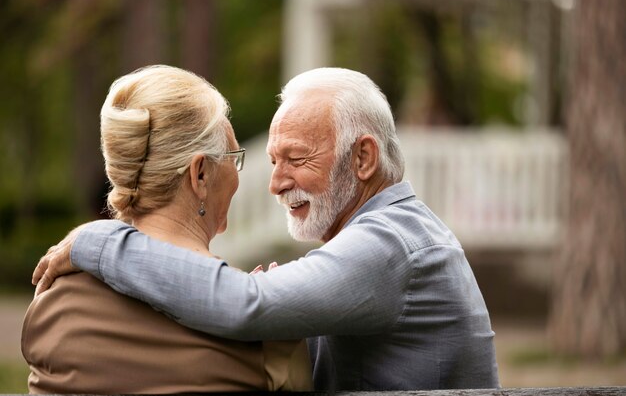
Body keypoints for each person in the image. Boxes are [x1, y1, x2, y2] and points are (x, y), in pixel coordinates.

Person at [33, 67, 500, 391]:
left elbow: (246, 307)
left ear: (363, 158)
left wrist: (100, 240)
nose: (276, 183)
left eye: (296, 159)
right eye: (272, 161)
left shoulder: (392, 244)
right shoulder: (390, 234)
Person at [22, 65, 312, 394]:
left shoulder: (52, 306)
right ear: (200, 174)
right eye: (234, 156)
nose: (237, 173)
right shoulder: (263, 333)